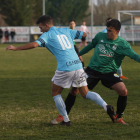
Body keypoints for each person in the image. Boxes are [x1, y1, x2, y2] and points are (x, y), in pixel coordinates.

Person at [6, 15, 115, 126]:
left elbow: (34, 44)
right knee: (85, 93)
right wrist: (72, 33)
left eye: (41, 27)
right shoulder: (65, 30)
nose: (40, 30)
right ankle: (106, 106)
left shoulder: (47, 35)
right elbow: (84, 34)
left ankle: (66, 120)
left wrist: (15, 48)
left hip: (65, 68)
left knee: (55, 92)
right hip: (78, 65)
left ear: (46, 25)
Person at [52, 19, 140, 125]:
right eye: (107, 30)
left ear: (117, 31)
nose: (107, 32)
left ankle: (118, 117)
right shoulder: (100, 36)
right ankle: (62, 116)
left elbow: (135, 56)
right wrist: (78, 55)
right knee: (74, 90)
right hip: (92, 71)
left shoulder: (123, 45)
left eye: (110, 31)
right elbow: (90, 46)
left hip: (110, 73)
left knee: (123, 91)